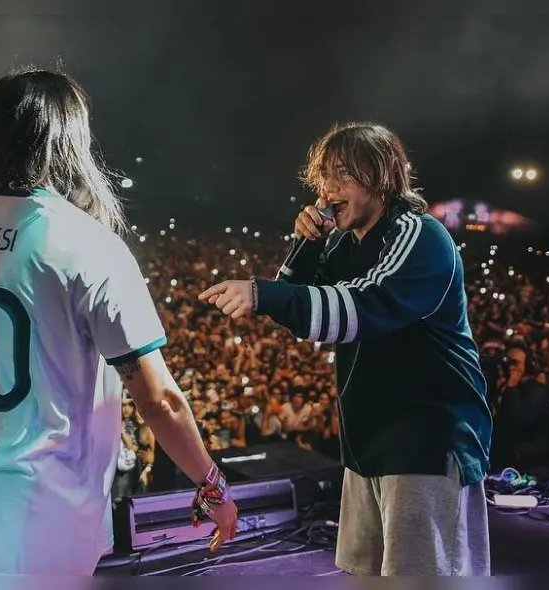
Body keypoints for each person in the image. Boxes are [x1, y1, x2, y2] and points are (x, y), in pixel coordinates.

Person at [0, 68, 237, 577]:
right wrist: (211, 483)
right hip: (34, 517)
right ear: (69, 142)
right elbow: (159, 398)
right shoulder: (85, 244)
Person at [199, 122, 492, 576]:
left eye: (343, 176)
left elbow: (361, 308)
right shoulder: (343, 242)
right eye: (324, 178)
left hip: (427, 441)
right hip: (368, 443)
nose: (328, 190)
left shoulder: (420, 234)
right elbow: (303, 316)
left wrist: (263, 294)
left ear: (381, 176)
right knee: (367, 575)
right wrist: (307, 244)